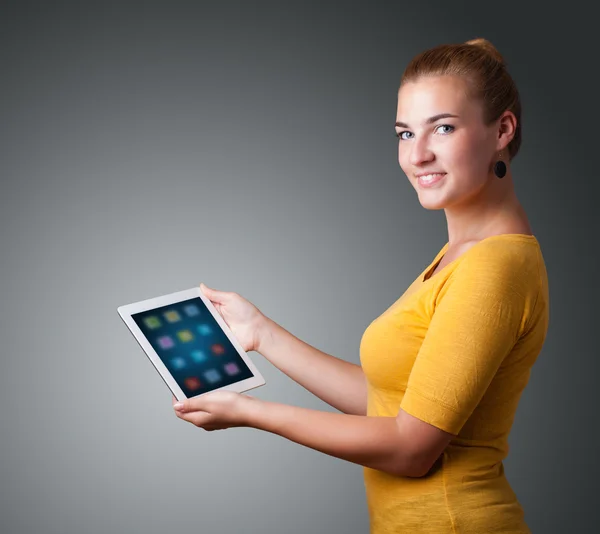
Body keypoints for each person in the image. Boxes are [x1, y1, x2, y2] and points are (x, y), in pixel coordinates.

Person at [172, 37, 550, 533]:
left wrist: (251, 413)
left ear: (501, 130)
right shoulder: (464, 255)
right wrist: (260, 334)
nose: (418, 155)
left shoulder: (493, 267)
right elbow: (393, 403)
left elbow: (412, 449)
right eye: (404, 133)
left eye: (443, 128)